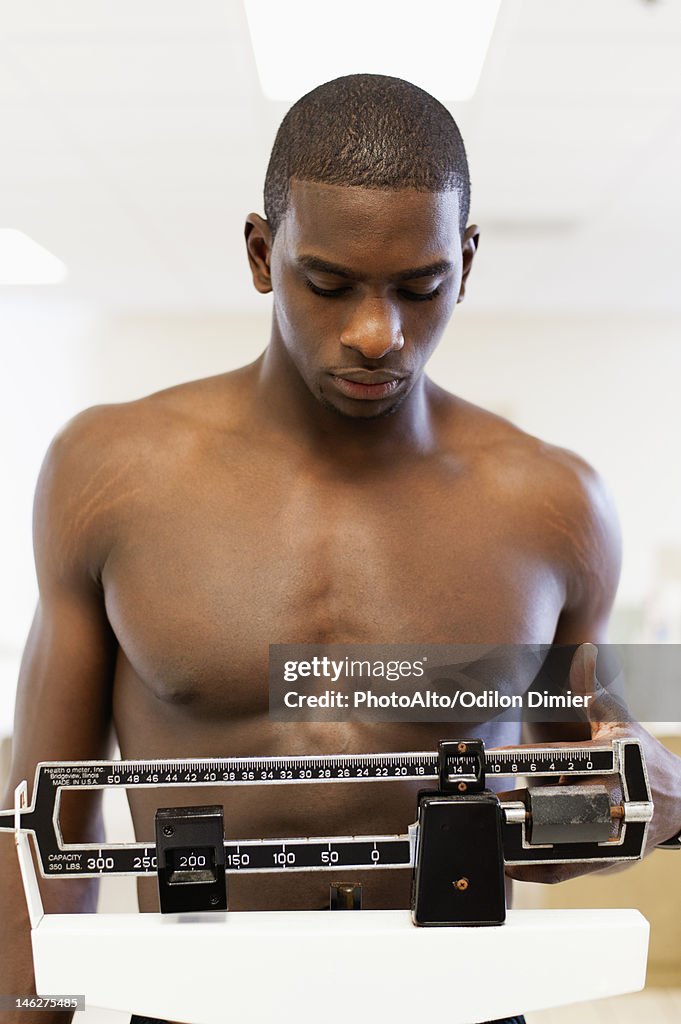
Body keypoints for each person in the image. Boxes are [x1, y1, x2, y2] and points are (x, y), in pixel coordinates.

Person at [1, 74, 680, 1024]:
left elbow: (561, 825)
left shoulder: (554, 506)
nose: (377, 334)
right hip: (198, 1009)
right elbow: (39, 837)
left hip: (458, 1009)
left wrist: (646, 796)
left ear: (467, 261)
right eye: (327, 284)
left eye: (419, 286)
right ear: (259, 252)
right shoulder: (109, 473)